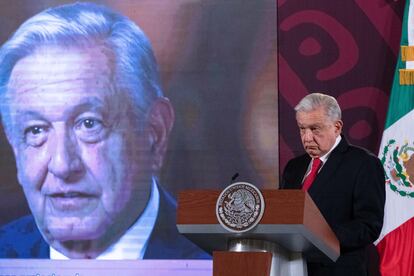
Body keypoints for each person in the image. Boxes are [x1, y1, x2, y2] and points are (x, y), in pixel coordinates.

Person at [0, 2, 208, 260]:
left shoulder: (231, 263)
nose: (62, 165)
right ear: (15, 148)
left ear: (154, 133)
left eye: (89, 124)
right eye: (36, 130)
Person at [280, 93, 385, 276]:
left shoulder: (364, 164)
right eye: (302, 129)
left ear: (337, 127)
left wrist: (319, 237)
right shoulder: (293, 167)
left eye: (315, 129)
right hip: (291, 268)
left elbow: (369, 225)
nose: (307, 138)